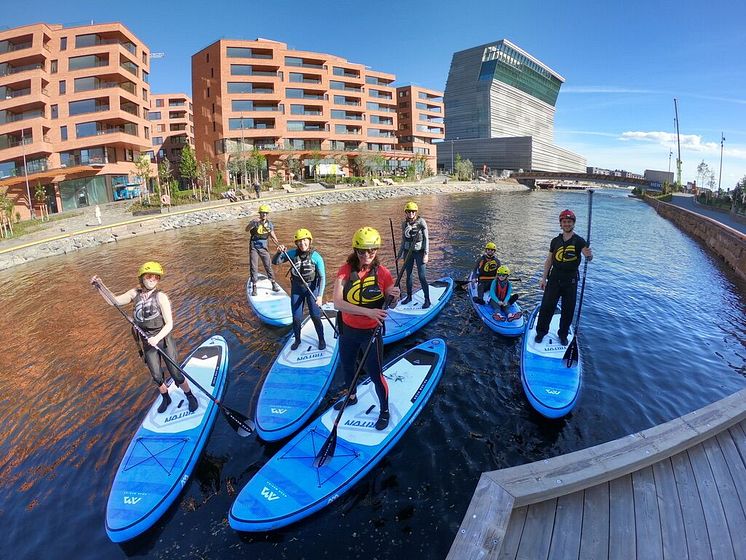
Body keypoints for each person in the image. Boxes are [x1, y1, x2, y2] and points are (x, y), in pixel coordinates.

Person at [90, 262, 198, 414]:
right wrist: (99, 286)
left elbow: (169, 324)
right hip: (147, 341)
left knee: (175, 373)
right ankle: (166, 398)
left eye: (156, 277)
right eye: (149, 276)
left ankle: (190, 395)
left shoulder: (161, 297)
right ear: (142, 278)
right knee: (156, 375)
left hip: (163, 340)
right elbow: (114, 301)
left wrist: (157, 338)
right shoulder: (134, 293)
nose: (153, 279)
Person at [332, 226, 400, 430]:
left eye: (372, 250)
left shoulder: (384, 274)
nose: (367, 255)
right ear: (355, 250)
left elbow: (391, 303)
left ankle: (384, 410)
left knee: (375, 373)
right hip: (347, 331)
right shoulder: (345, 271)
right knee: (347, 367)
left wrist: (395, 297)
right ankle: (351, 397)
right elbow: (337, 303)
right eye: (362, 251)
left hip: (371, 333)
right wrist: (368, 312)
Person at [535, 209, 593, 345]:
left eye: (569, 222)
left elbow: (588, 257)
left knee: (568, 309)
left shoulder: (579, 241)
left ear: (573, 224)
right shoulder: (555, 241)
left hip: (570, 280)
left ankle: (563, 334)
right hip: (554, 278)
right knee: (546, 307)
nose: (567, 224)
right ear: (560, 224)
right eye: (564, 222)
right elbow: (549, 260)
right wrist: (544, 278)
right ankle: (541, 332)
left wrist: (589, 255)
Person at [273, 228, 327, 351]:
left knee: (315, 316)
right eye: (300, 242)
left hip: (312, 289)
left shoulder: (316, 256)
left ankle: (321, 339)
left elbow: (323, 277)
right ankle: (297, 340)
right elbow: (275, 262)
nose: (302, 244)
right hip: (297, 289)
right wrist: (279, 253)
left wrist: (320, 296)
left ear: (310, 241)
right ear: (296, 243)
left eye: (305, 241)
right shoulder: (291, 254)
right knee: (296, 317)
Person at [398, 201, 431, 308]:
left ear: (415, 212)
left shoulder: (421, 222)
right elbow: (403, 240)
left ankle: (427, 299)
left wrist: (426, 254)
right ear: (406, 212)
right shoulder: (404, 224)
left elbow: (426, 239)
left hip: (420, 252)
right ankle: (409, 296)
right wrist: (399, 255)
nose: (411, 213)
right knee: (409, 275)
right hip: (408, 252)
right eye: (409, 211)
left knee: (422, 276)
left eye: (413, 211)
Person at [246, 204, 280, 296]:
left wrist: (278, 244)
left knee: (268, 265)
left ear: (267, 214)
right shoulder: (255, 222)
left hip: (264, 248)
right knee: (254, 266)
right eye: (262, 213)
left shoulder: (269, 224)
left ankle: (273, 283)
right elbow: (246, 229)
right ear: (260, 213)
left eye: (265, 213)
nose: (264, 215)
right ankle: (254, 286)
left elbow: (272, 235)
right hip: (254, 247)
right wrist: (252, 223)